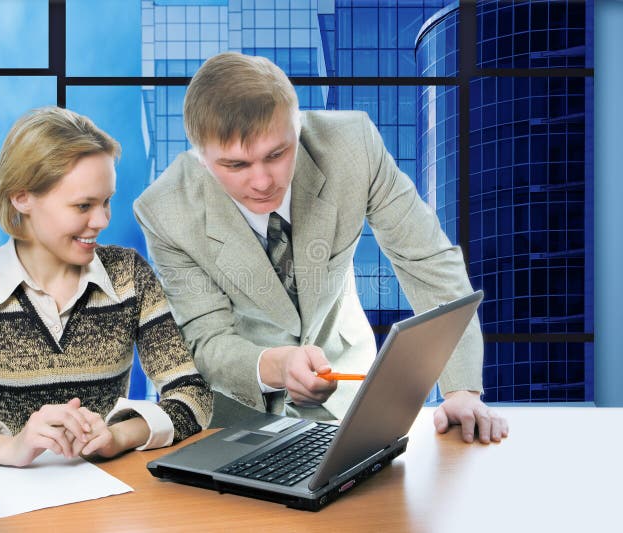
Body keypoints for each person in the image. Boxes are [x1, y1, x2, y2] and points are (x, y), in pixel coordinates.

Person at [134, 52, 507, 444]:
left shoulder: (351, 146)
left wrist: (461, 390)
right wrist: (276, 366)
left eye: (277, 155)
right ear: (202, 158)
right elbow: (205, 340)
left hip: (349, 387)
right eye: (236, 166)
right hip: (238, 410)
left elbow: (426, 259)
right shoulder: (165, 211)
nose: (262, 182)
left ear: (298, 125)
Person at [0, 106, 212, 469]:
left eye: (106, 202)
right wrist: (9, 448)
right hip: (6, 508)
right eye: (83, 205)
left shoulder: (129, 275)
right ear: (22, 198)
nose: (101, 220)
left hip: (107, 500)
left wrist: (118, 436)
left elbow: (193, 396)